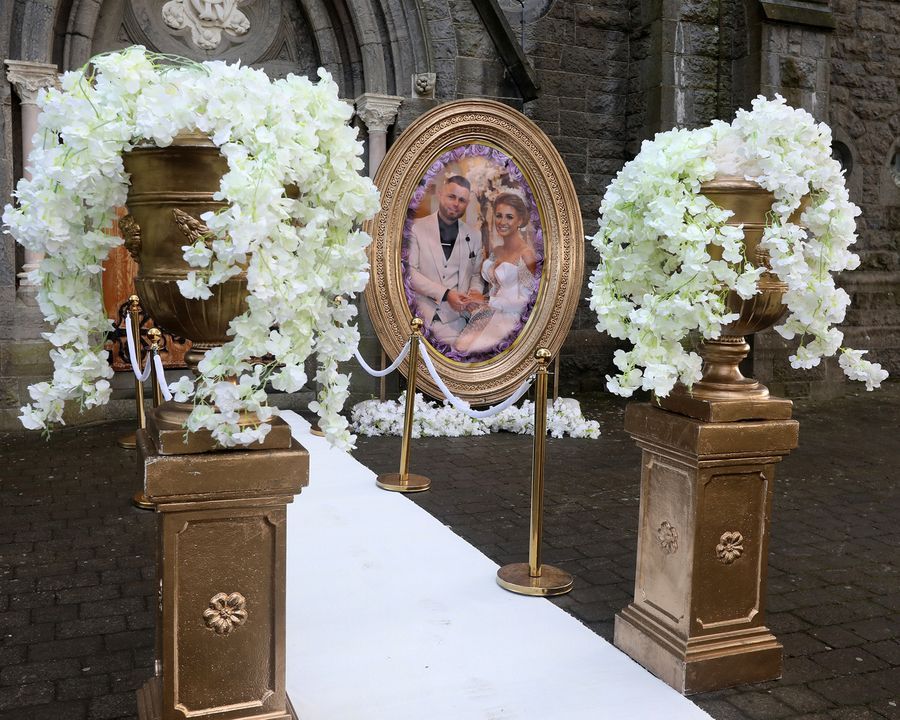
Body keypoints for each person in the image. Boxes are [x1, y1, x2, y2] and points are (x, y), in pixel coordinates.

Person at [454, 191, 538, 355]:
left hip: (508, 320)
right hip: (488, 313)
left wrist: (486, 300)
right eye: (499, 216)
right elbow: (494, 286)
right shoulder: (497, 250)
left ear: (520, 220)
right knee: (461, 349)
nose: (502, 222)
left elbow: (525, 302)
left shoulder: (526, 254)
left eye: (509, 217)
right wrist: (473, 299)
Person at [407, 175, 486, 346]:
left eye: (462, 200)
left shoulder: (474, 235)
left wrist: (473, 293)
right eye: (452, 197)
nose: (456, 204)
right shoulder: (417, 228)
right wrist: (446, 294)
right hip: (420, 320)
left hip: (458, 324)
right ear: (441, 194)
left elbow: (476, 275)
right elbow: (410, 273)